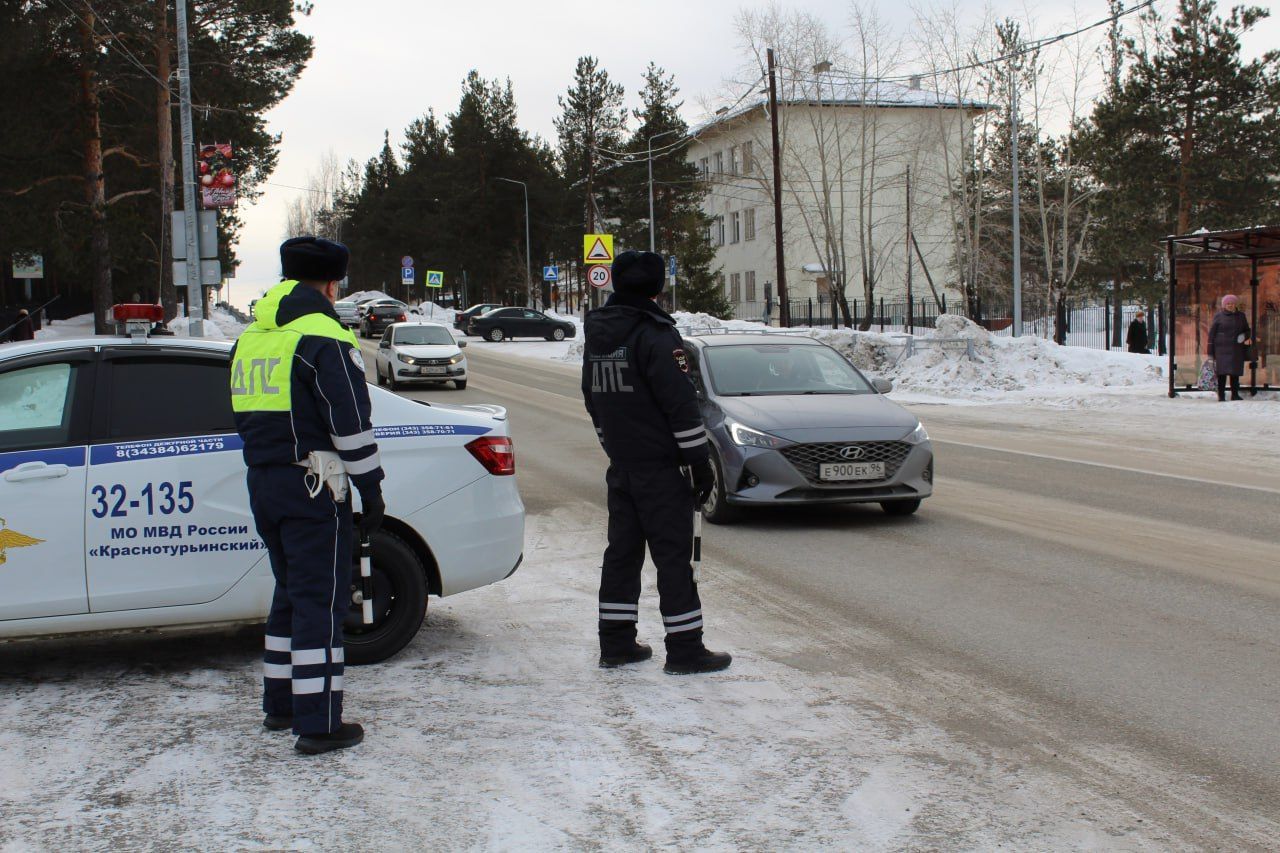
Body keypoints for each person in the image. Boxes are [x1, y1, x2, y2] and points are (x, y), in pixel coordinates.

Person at [230, 237, 385, 754]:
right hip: (314, 485)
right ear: (331, 283)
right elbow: (350, 423)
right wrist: (371, 487)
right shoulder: (323, 335)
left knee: (290, 594)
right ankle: (317, 725)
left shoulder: (253, 335)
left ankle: (282, 704)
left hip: (264, 481)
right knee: (321, 601)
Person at [581, 250, 731, 675]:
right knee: (673, 557)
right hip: (660, 469)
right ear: (658, 287)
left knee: (622, 555)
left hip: (623, 465)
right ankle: (685, 650)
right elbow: (680, 404)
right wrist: (698, 461)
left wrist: (612, 446)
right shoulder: (657, 335)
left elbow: (593, 399)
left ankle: (616, 643)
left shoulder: (600, 334)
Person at [1207, 294, 1252, 402]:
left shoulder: (1241, 316)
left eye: (1232, 303)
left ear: (1235, 304)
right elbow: (1212, 334)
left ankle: (1235, 395)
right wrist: (1210, 353)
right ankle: (1221, 395)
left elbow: (1247, 330)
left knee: (1235, 374)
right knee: (1221, 374)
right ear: (1224, 305)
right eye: (1228, 303)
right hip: (1221, 350)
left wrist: (1244, 336)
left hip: (1236, 349)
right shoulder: (1219, 316)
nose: (1230, 305)